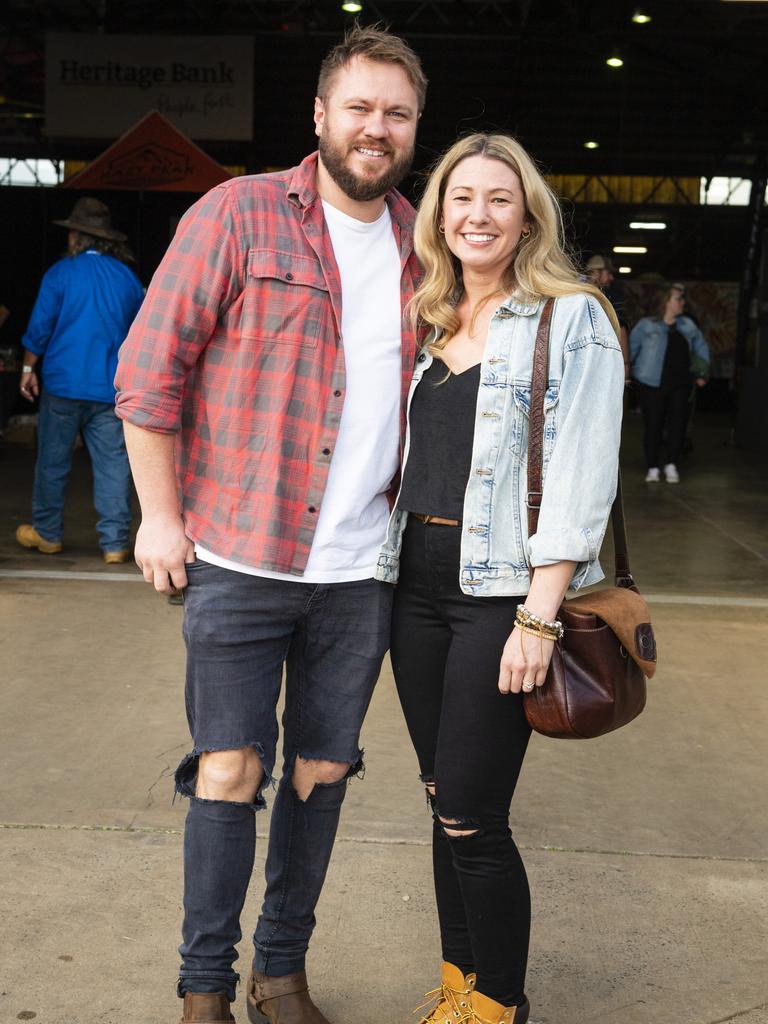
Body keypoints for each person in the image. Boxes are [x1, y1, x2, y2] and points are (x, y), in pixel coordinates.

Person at [114, 26, 427, 1024]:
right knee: (230, 766)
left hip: (360, 570)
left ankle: (279, 971)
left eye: (397, 113)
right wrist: (160, 515)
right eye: (361, 107)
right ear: (322, 116)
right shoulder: (239, 213)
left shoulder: (426, 248)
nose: (375, 128)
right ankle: (205, 984)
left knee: (324, 768)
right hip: (241, 554)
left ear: (415, 130)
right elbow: (147, 372)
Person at [376, 133, 625, 1024]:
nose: (477, 215)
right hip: (415, 587)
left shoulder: (571, 316)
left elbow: (581, 477)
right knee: (443, 798)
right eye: (460, 197)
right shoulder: (429, 317)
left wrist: (540, 616)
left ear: (527, 220)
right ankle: (457, 988)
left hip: (500, 598)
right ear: (438, 212)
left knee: (475, 816)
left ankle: (500, 1006)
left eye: (498, 200)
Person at [15, 197, 143, 562]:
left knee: (53, 462)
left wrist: (27, 369)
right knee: (113, 465)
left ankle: (48, 533)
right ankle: (115, 543)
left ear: (76, 235)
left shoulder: (60, 273)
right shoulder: (127, 278)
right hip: (109, 388)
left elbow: (40, 328)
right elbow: (140, 332)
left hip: (63, 385)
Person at [629, 283, 709, 483]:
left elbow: (701, 347)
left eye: (682, 299)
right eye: (678, 298)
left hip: (681, 384)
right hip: (650, 383)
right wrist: (628, 374)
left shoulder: (687, 325)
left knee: (678, 425)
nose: (682, 302)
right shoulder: (647, 325)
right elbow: (630, 349)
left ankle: (672, 464)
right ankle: (653, 467)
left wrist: (702, 372)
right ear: (666, 301)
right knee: (653, 425)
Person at [585, 254, 630, 381]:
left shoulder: (576, 293)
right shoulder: (608, 297)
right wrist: (625, 365)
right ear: (595, 273)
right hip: (601, 362)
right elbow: (620, 328)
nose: (611, 277)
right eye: (608, 272)